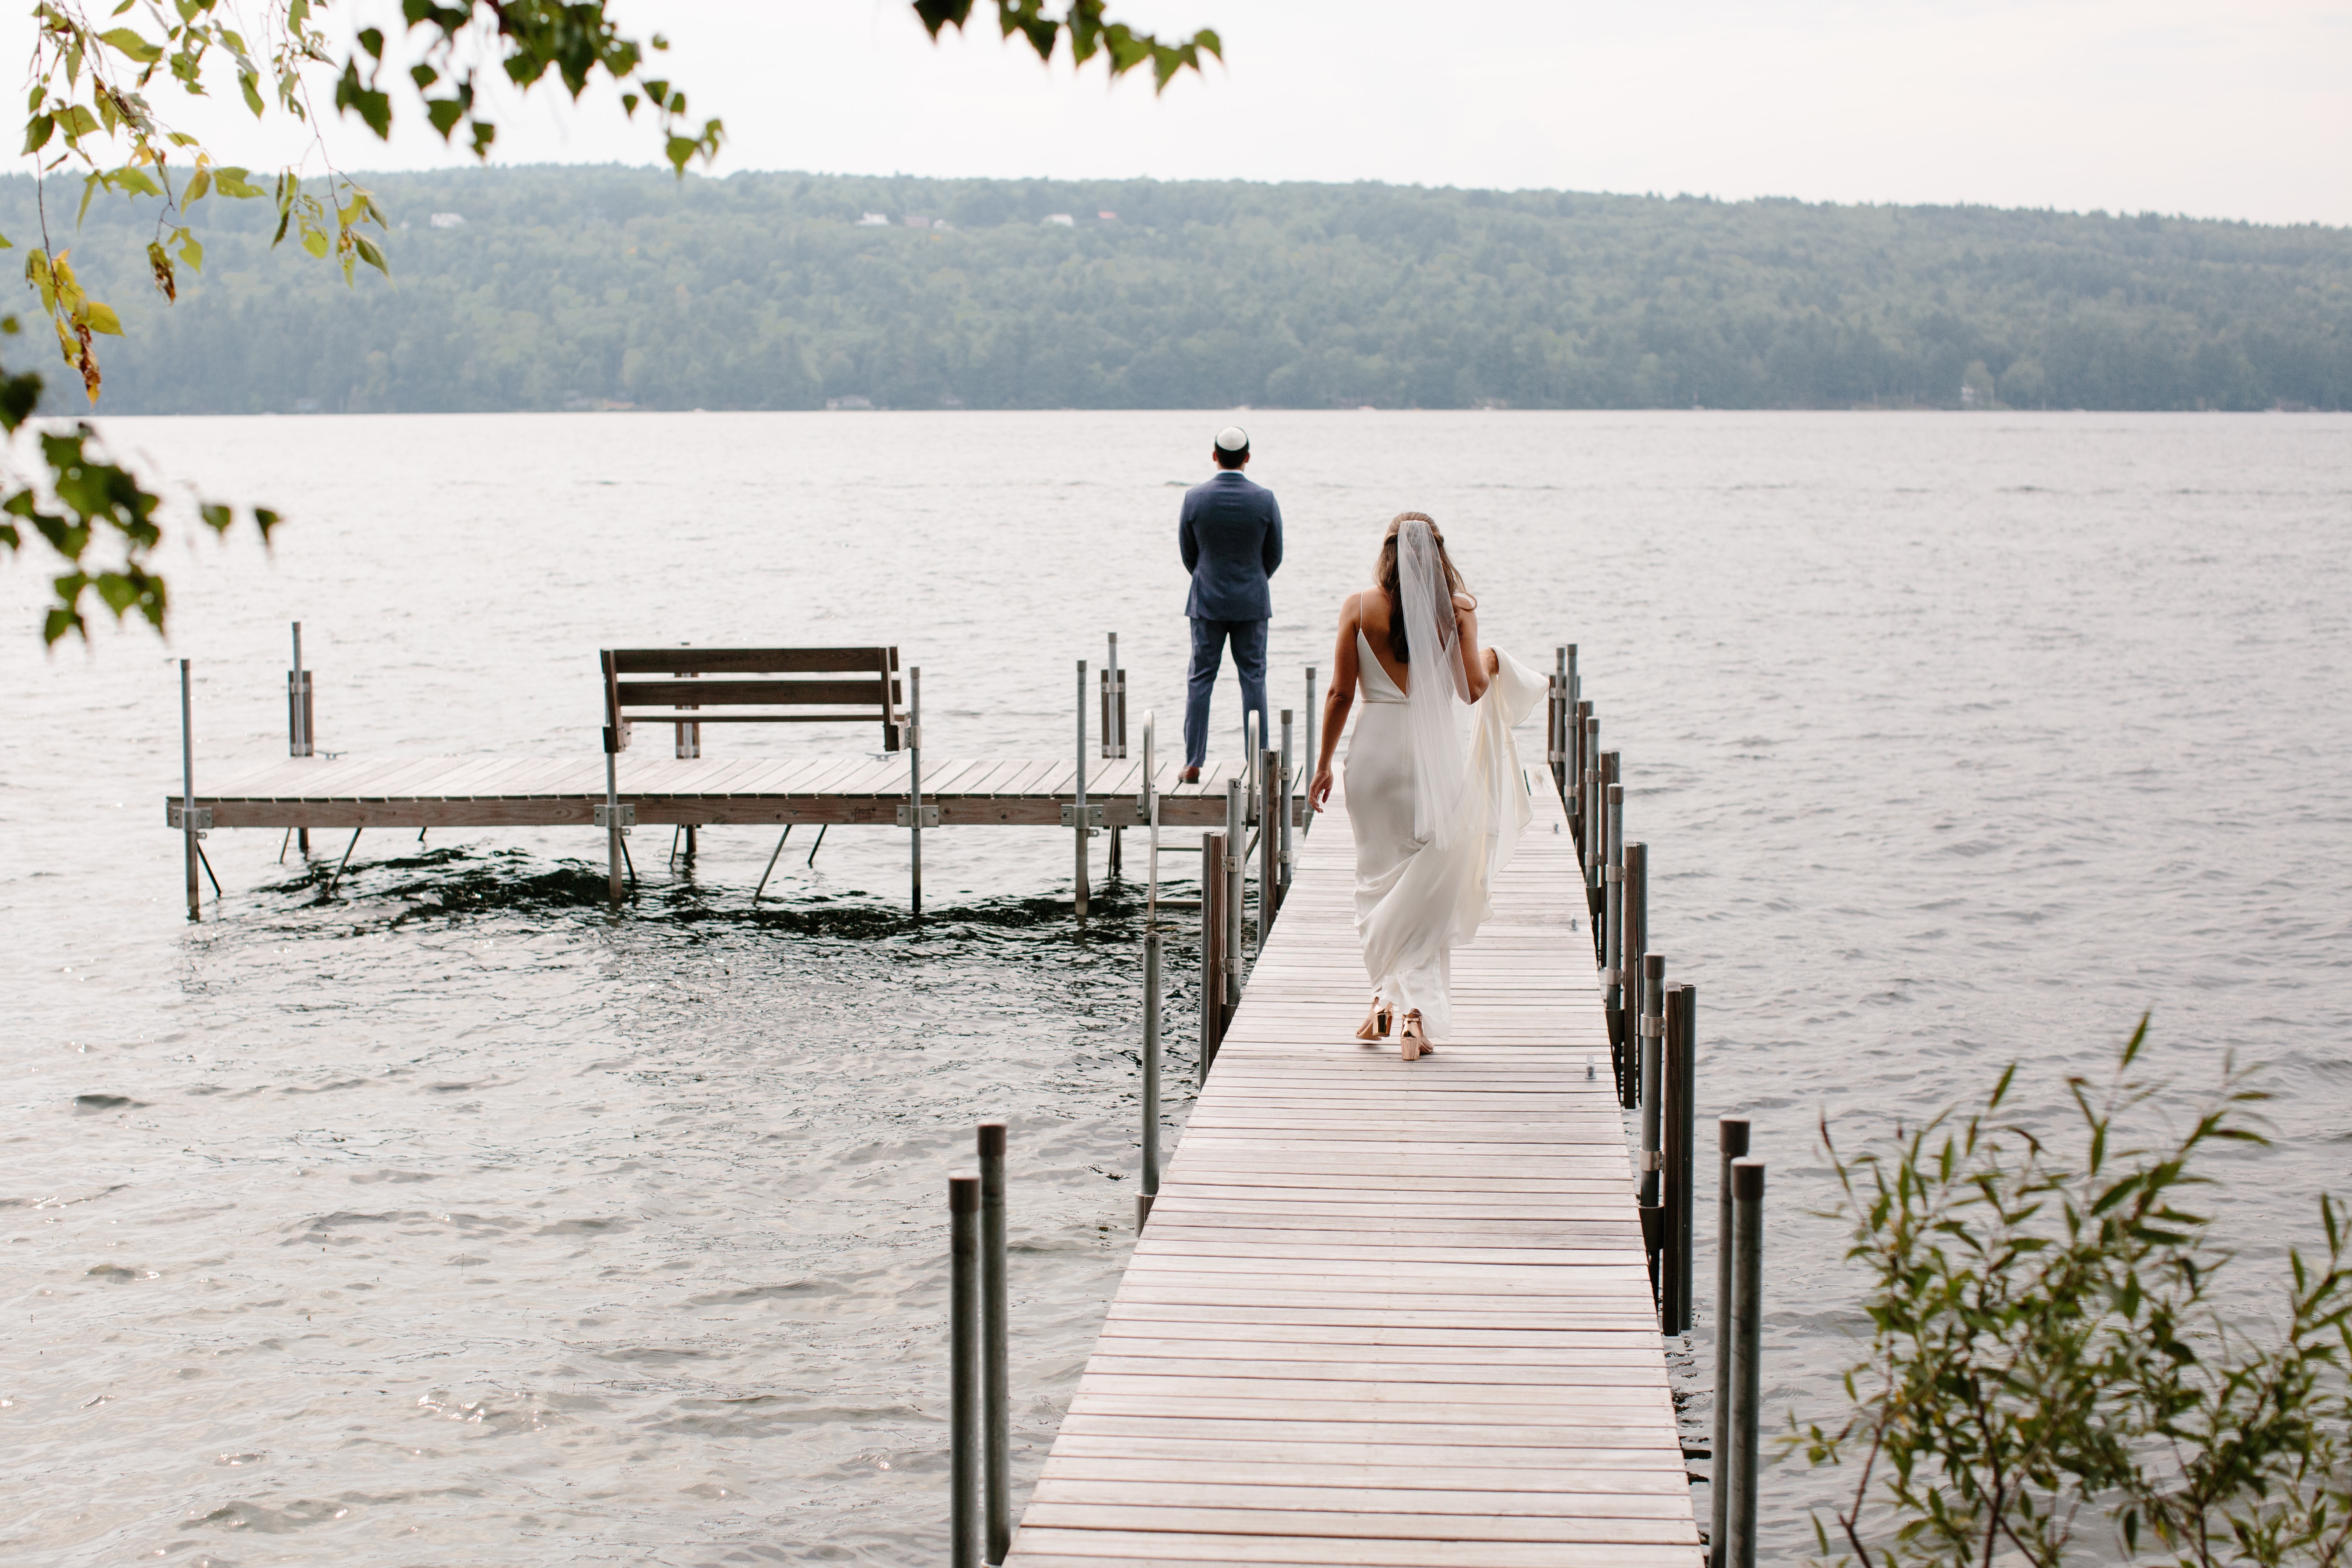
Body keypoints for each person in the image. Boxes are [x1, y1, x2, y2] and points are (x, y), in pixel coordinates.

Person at [1307, 513, 1545, 1060]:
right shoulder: (1458, 613)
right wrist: (1489, 657)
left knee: (1377, 883)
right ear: (1439, 556)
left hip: (1372, 761)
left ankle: (1382, 1004)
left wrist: (1323, 764)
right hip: (1429, 764)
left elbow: (1341, 695)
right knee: (1427, 889)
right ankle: (1413, 1014)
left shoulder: (1356, 608)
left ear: (1387, 553)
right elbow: (1471, 690)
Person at [1178, 425, 1283, 783]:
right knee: (1254, 678)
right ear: (1248, 458)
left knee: (1200, 679)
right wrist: (1252, 582)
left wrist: (1208, 578)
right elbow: (1275, 555)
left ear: (1214, 456)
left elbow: (1188, 553)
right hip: (1252, 603)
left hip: (1206, 601)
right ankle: (1259, 762)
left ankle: (1193, 763)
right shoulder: (1265, 499)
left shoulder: (1195, 498)